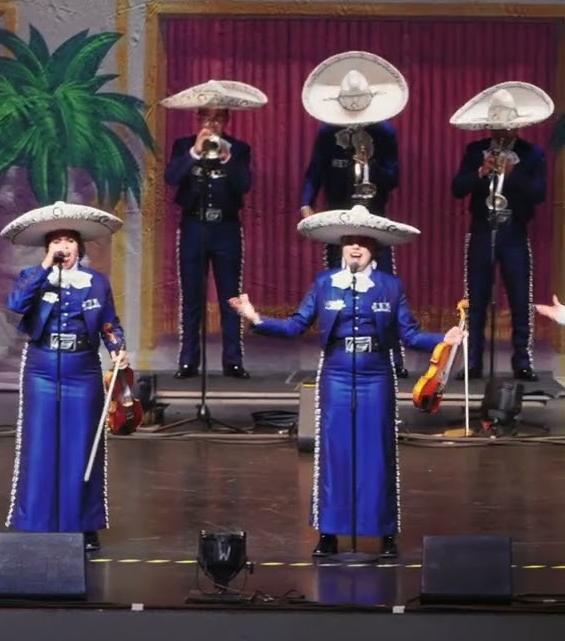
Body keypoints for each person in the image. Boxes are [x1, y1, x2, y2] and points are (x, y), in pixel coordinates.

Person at [229, 206, 462, 559]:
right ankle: (329, 533)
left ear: (374, 249)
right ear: (341, 247)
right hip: (336, 375)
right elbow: (295, 326)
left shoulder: (390, 286)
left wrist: (444, 339)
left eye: (363, 242)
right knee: (334, 452)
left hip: (376, 375)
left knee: (377, 453)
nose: (355, 247)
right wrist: (255, 318)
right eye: (349, 241)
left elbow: (410, 335)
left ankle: (384, 532)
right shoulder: (325, 283)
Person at [0, 201, 128, 551]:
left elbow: (110, 324)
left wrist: (117, 347)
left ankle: (82, 524)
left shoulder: (96, 282)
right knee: (40, 445)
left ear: (79, 247)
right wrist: (45, 266)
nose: (64, 246)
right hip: (42, 367)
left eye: (70, 240)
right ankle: (38, 522)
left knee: (81, 446)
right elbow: (16, 304)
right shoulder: (32, 277)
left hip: (82, 369)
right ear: (48, 247)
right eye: (56, 240)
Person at [299, 51, 410, 378]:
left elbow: (394, 178)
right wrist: (306, 202)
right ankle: (337, 353)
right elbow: (314, 172)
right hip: (339, 220)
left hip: (374, 220)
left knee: (382, 289)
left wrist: (370, 162)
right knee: (338, 288)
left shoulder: (384, 133)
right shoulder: (327, 133)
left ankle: (393, 357)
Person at [160, 80, 267, 380]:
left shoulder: (239, 149)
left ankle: (233, 360)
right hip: (193, 226)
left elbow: (244, 185)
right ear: (198, 118)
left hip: (226, 229)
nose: (212, 122)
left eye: (218, 117)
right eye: (206, 116)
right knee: (191, 296)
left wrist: (226, 157)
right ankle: (188, 360)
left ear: (226, 119)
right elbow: (171, 178)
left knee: (230, 297)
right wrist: (195, 152)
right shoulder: (183, 146)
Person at [450, 82, 553, 382]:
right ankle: (473, 362)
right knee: (477, 299)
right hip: (482, 230)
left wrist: (513, 174)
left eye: (508, 127)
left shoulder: (532, 154)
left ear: (517, 125)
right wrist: (480, 172)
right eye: (497, 127)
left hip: (514, 232)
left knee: (520, 299)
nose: (503, 132)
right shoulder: (475, 151)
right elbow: (457, 189)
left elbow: (539, 194)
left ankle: (522, 361)